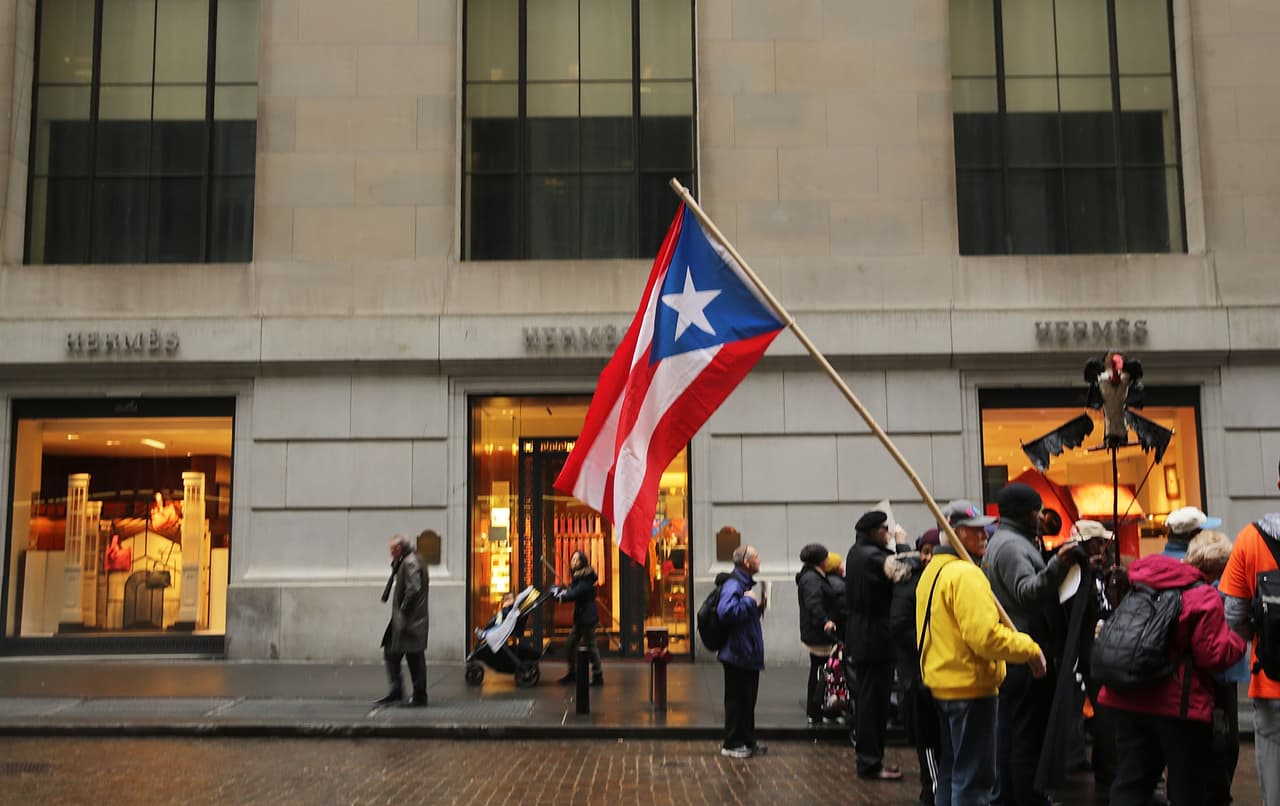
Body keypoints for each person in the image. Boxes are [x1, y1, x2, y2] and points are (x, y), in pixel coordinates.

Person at [918, 500, 1047, 806]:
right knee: (973, 783)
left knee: (952, 772)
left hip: (943, 686)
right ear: (958, 532)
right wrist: (1029, 648)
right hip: (970, 690)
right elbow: (985, 637)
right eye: (976, 530)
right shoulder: (966, 575)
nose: (985, 535)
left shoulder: (932, 572)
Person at [1098, 549, 1245, 805]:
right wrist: (1239, 640)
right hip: (1177, 707)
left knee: (1132, 780)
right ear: (1216, 571)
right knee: (1186, 785)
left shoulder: (1138, 584)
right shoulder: (1203, 596)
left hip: (1125, 698)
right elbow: (1213, 655)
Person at [983, 482, 1078, 806]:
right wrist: (1057, 567)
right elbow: (1026, 591)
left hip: (1019, 651)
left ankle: (1012, 796)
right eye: (1037, 510)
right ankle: (1025, 797)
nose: (1041, 516)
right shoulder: (1011, 547)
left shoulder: (1011, 542)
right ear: (1025, 512)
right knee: (1024, 733)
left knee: (1012, 731)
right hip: (1023, 654)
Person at [1220, 465, 1280, 806]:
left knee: (1275, 784)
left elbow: (1234, 616)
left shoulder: (1251, 538)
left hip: (1271, 682)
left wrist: (1261, 640)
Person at [1184, 529, 1251, 806]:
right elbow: (1215, 652)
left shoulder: (1181, 586)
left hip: (1192, 681)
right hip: (1216, 679)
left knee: (1205, 745)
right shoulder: (1210, 594)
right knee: (1222, 744)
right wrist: (1240, 639)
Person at [846, 509, 906, 781]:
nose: (889, 531)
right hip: (875, 640)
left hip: (864, 638)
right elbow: (902, 574)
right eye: (885, 528)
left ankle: (871, 759)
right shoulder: (874, 557)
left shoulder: (856, 553)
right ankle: (870, 763)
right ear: (873, 532)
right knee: (874, 704)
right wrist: (901, 545)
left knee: (869, 702)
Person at [892, 527, 942, 804]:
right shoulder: (910, 584)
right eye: (924, 552)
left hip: (934, 673)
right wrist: (926, 648)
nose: (927, 557)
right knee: (929, 743)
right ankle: (931, 791)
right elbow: (900, 627)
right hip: (919, 677)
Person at [718, 543, 767, 759]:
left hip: (746, 652)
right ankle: (732, 743)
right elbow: (726, 612)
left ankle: (747, 740)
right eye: (756, 557)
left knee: (748, 701)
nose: (760, 560)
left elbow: (740, 613)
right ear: (746, 562)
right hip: (737, 653)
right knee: (737, 701)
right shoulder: (734, 584)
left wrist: (755, 607)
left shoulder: (743, 583)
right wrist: (749, 602)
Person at [375, 533, 430, 707]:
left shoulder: (410, 562)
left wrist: (403, 611)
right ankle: (397, 691)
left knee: (414, 657)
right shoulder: (409, 559)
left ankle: (419, 696)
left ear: (399, 548)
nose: (391, 553)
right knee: (391, 651)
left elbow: (413, 589)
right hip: (408, 620)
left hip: (410, 621)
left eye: (392, 549)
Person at [796, 542, 837, 725]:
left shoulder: (811, 576)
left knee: (819, 669)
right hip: (818, 632)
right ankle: (816, 709)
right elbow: (814, 603)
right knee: (820, 669)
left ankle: (817, 708)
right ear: (820, 560)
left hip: (815, 630)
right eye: (826, 557)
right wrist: (825, 621)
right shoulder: (812, 579)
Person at [552, 549, 604, 686]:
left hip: (588, 618)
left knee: (591, 647)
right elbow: (572, 588)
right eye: (572, 559)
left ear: (582, 562)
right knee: (570, 645)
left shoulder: (585, 578)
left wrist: (561, 597)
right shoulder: (579, 576)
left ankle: (598, 675)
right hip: (581, 617)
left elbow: (575, 593)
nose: (572, 562)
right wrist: (559, 590)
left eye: (576, 559)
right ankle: (572, 673)